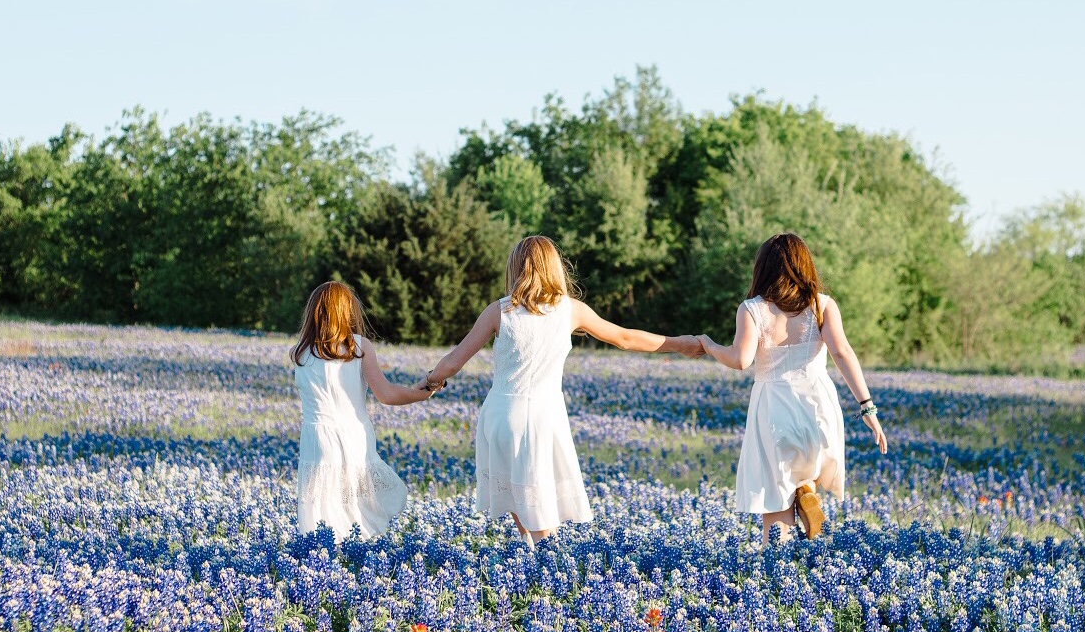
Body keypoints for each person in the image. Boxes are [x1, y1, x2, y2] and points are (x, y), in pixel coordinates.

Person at [422, 236, 702, 543]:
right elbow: (624, 337)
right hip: (543, 417)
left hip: (500, 414)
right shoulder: (571, 310)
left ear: (515, 268)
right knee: (542, 510)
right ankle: (547, 569)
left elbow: (453, 361)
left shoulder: (499, 311)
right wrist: (678, 344)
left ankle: (532, 561)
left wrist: (430, 382)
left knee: (519, 497)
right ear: (554, 268)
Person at [697, 233, 887, 543]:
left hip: (774, 408)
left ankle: (780, 562)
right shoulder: (821, 305)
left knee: (775, 493)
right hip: (818, 406)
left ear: (763, 268)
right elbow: (842, 353)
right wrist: (867, 407)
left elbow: (740, 359)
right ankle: (807, 491)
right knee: (804, 467)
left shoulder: (753, 309)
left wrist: (708, 345)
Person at [291, 282, 434, 539]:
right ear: (348, 312)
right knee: (359, 504)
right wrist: (420, 394)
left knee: (322, 505)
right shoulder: (358, 347)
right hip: (353, 435)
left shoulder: (299, 352)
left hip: (316, 439)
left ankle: (326, 557)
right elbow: (386, 395)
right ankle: (360, 552)